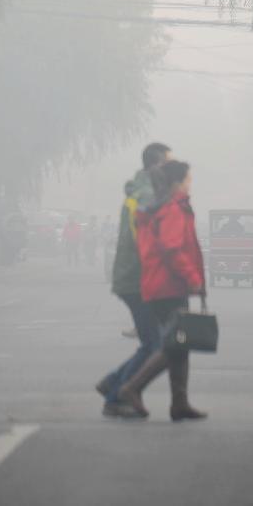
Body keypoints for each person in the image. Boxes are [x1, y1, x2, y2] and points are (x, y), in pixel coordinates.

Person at [119, 161, 207, 422]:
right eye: (187, 179)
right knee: (176, 343)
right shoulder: (172, 209)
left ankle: (179, 403)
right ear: (176, 183)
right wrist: (193, 278)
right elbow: (172, 248)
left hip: (158, 283)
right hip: (169, 285)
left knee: (181, 343)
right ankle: (132, 388)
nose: (190, 183)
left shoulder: (157, 208)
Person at [96, 142, 171, 418]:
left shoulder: (144, 192)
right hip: (138, 280)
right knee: (157, 345)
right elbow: (148, 240)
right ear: (154, 166)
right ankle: (116, 395)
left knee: (154, 342)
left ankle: (114, 383)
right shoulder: (145, 196)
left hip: (134, 278)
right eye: (166, 164)